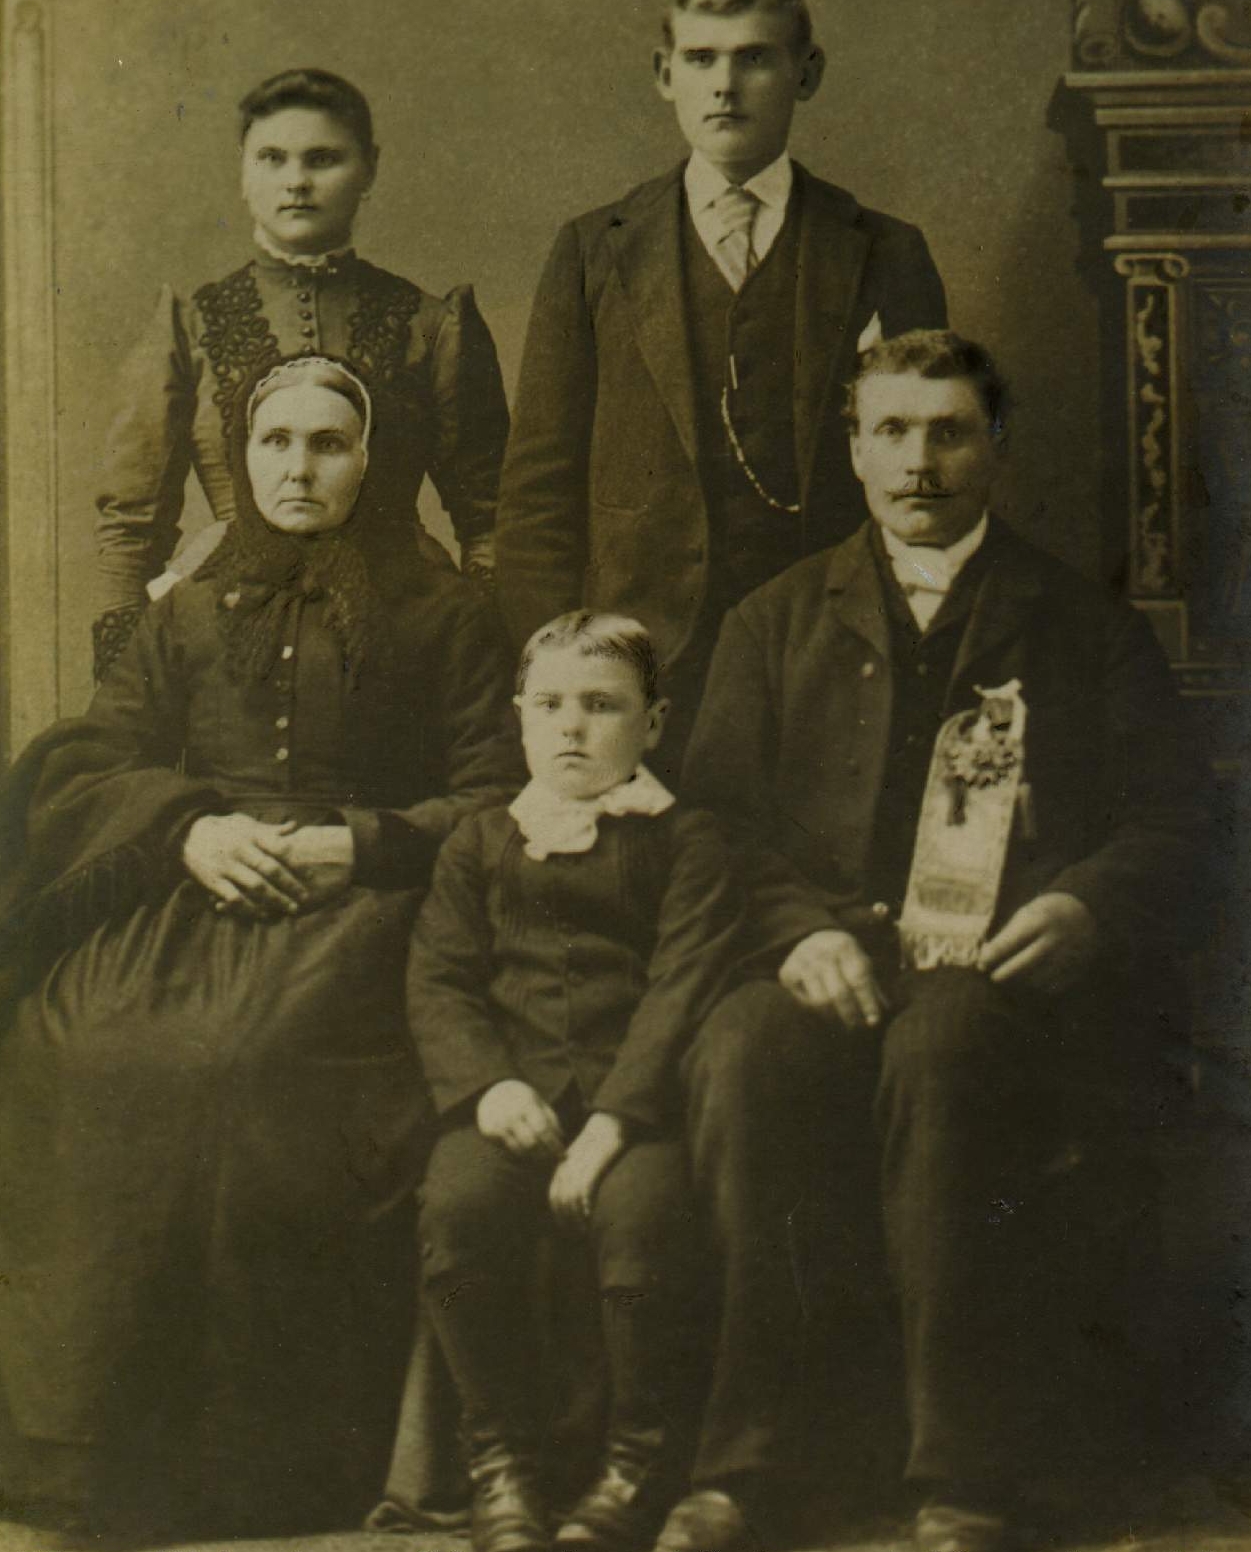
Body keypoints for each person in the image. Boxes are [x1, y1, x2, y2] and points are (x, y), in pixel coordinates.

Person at [668, 330, 1213, 1552]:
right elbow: (711, 822)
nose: (922, 461)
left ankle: (957, 1477)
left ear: (996, 449)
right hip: (827, 957)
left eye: (951, 431)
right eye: (895, 433)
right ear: (856, 451)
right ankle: (744, 1466)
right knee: (744, 1052)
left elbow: (1178, 818)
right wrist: (796, 929)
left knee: (947, 1053)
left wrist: (1084, 903)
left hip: (1004, 982)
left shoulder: (1080, 624)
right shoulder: (773, 620)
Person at [0, 356, 522, 1539]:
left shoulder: (442, 613)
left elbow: (496, 794)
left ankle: (262, 1467)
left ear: (371, 459)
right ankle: (90, 1454)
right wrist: (189, 829)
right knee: (84, 1050)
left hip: (367, 907)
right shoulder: (184, 609)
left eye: (329, 444)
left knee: (253, 1074)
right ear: (241, 460)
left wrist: (369, 842)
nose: (300, 467)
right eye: (276, 442)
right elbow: (100, 759)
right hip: (199, 880)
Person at [494, 0, 947, 780]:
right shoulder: (595, 249)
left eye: (754, 57)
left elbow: (922, 474)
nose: (725, 86)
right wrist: (559, 670)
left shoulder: (884, 251)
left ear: (805, 73)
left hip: (828, 651)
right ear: (664, 75)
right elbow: (537, 486)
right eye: (700, 60)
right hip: (638, 663)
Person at [407, 611, 745, 1552]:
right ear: (516, 716)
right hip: (511, 1099)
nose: (571, 727)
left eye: (602, 706)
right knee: (457, 1207)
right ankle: (500, 1461)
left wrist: (611, 1127)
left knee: (639, 1224)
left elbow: (683, 986)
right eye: (548, 704)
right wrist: (484, 1088)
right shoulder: (479, 841)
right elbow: (438, 978)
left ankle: (635, 1462)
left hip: (636, 1114)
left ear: (654, 724)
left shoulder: (688, 842)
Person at [92, 66, 509, 682]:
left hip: (404, 629)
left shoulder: (432, 324)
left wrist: (481, 644)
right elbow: (129, 524)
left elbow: (491, 518)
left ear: (368, 168)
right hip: (226, 629)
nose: (296, 182)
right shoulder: (191, 323)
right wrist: (124, 669)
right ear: (242, 171)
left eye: (322, 158)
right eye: (271, 158)